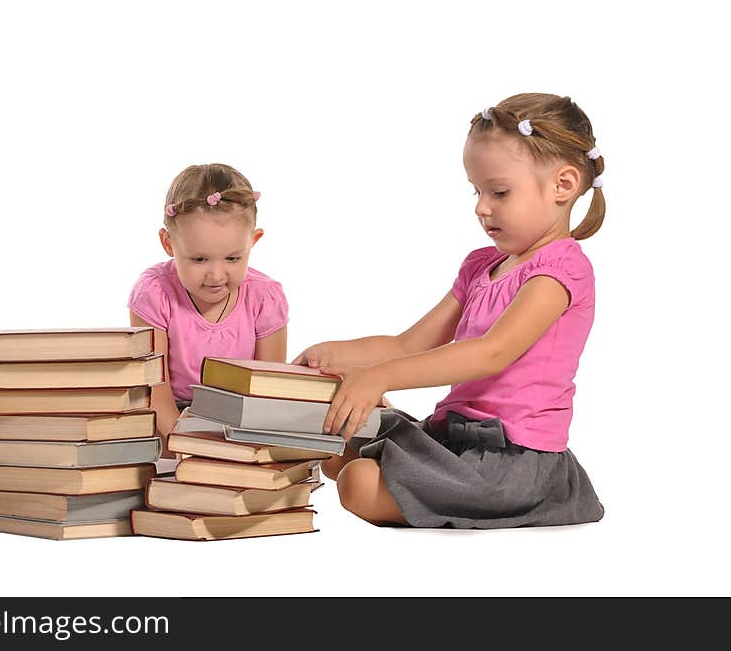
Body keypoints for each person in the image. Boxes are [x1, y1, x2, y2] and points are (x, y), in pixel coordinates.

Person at [293, 93, 605, 529]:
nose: (481, 206)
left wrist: (381, 377)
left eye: (499, 191)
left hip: (510, 457)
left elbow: (490, 353)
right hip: (454, 436)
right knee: (338, 445)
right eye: (477, 191)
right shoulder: (481, 266)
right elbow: (408, 344)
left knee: (358, 482)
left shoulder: (560, 270)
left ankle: (531, 500)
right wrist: (335, 355)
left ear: (563, 185)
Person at [128, 163, 288, 454]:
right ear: (168, 243)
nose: (216, 275)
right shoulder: (155, 293)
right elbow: (156, 393)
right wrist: (187, 442)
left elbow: (269, 391)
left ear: (253, 241)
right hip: (167, 418)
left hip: (242, 420)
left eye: (232, 258)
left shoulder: (265, 298)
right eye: (199, 259)